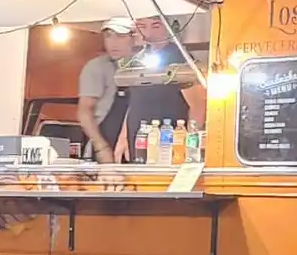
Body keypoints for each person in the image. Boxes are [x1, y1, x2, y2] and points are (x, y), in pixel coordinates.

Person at [127, 16, 207, 144]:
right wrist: (123, 138)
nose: (148, 32)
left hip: (168, 141)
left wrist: (191, 144)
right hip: (138, 139)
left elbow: (198, 104)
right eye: (142, 26)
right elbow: (134, 102)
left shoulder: (180, 58)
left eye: (156, 26)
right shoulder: (137, 60)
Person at [76, 17, 138, 163]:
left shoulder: (146, 69)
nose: (113, 42)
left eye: (121, 36)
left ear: (135, 38)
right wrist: (101, 147)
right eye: (108, 36)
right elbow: (84, 111)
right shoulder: (96, 67)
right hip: (104, 148)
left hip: (137, 146)